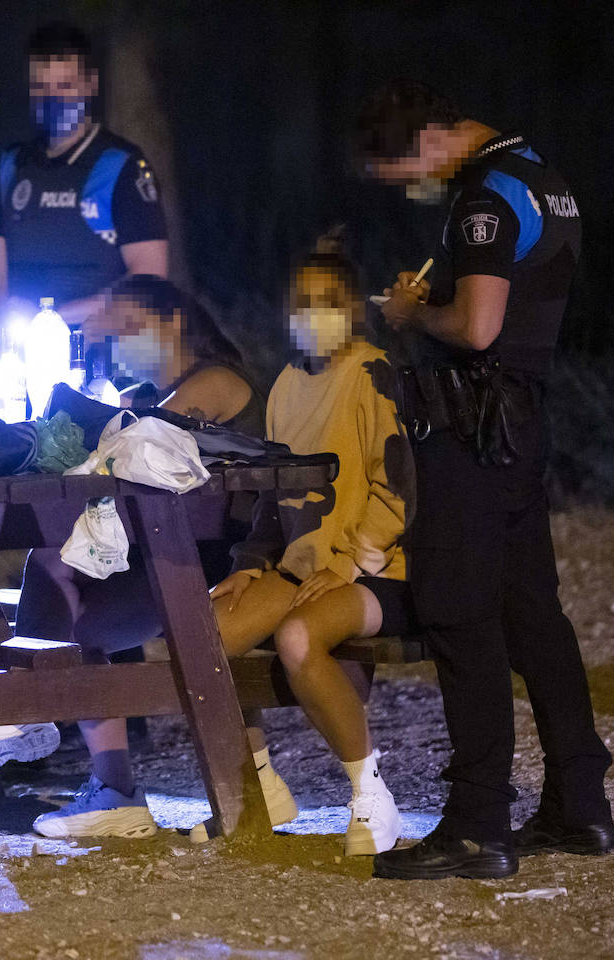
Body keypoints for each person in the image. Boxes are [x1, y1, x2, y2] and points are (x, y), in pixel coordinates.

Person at [357, 80, 614, 880]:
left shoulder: (486, 197)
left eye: (404, 171)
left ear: (436, 136)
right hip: (520, 425)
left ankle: (477, 825)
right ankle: (580, 807)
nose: (407, 188)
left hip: (472, 430)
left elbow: (478, 326)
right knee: (534, 615)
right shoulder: (542, 175)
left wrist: (412, 315)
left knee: (459, 615)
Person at [17, 276, 263, 839]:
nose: (119, 341)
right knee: (54, 575)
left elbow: (146, 443)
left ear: (174, 321)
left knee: (59, 579)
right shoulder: (156, 396)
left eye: (129, 327)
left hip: (209, 563)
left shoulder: (217, 381)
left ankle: (20, 708)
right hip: (160, 554)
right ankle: (110, 786)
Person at [199, 233, 416, 856]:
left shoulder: (374, 374)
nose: (312, 313)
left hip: (377, 572)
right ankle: (258, 784)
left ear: (352, 308)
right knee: (202, 636)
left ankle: (370, 795)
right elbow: (272, 498)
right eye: (302, 301)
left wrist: (351, 563)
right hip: (301, 569)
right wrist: (247, 564)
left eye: (326, 301)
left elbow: (398, 491)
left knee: (297, 638)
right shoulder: (285, 386)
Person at [0, 21, 169, 331]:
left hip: (103, 356)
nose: (53, 99)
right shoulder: (12, 166)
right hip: (24, 352)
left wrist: (54, 320)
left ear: (90, 85)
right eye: (41, 88)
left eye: (65, 87)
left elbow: (149, 279)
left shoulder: (122, 166)